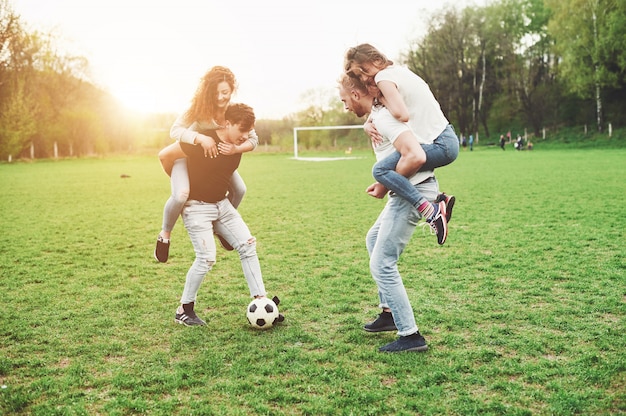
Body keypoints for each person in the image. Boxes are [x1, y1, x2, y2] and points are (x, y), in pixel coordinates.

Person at [338, 73, 438, 352]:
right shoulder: (377, 115)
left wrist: (384, 184)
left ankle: (411, 335)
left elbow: (413, 153)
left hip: (414, 190)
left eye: (345, 100)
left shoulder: (384, 116)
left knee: (381, 263)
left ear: (356, 95)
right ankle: (389, 314)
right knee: (373, 239)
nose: (345, 106)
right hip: (406, 189)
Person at [162, 103, 282, 326]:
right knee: (206, 258)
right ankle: (184, 309)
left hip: (222, 205)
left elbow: (247, 144)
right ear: (227, 123)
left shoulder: (240, 144)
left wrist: (239, 145)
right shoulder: (204, 139)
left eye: (248, 132)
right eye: (241, 131)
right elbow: (166, 154)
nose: (245, 137)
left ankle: (262, 302)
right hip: (196, 207)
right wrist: (179, 187)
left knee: (248, 245)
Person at [344, 43, 458, 244]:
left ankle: (430, 211)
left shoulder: (383, 78)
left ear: (376, 61)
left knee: (380, 171)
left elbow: (401, 114)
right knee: (386, 172)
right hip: (445, 138)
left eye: (363, 72)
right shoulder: (398, 71)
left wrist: (380, 97)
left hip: (440, 144)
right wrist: (368, 122)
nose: (363, 79)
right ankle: (438, 200)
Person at [155, 66, 259, 263]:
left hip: (215, 162)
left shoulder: (233, 112)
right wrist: (199, 138)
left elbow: (253, 139)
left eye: (225, 92)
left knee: (240, 189)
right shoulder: (199, 109)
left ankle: (220, 228)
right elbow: (175, 130)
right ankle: (165, 234)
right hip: (187, 156)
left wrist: (236, 149)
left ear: (232, 90)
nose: (220, 97)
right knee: (181, 194)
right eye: (216, 93)